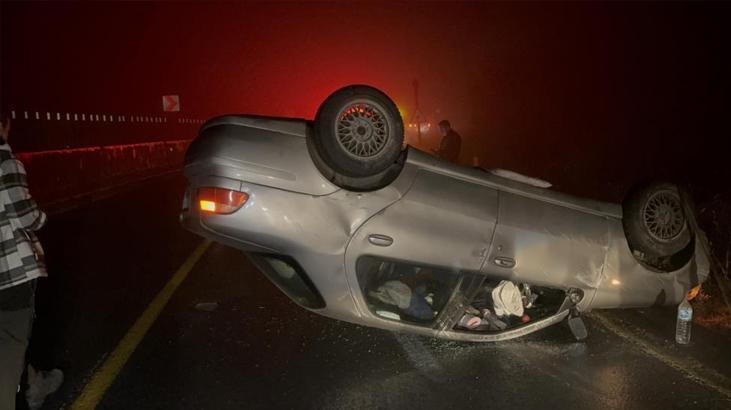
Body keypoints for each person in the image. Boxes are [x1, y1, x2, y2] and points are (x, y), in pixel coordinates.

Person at [0, 117, 62, 410]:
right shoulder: (6, 163)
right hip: (10, 272)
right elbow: (27, 216)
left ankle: (35, 385)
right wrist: (43, 217)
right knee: (12, 342)